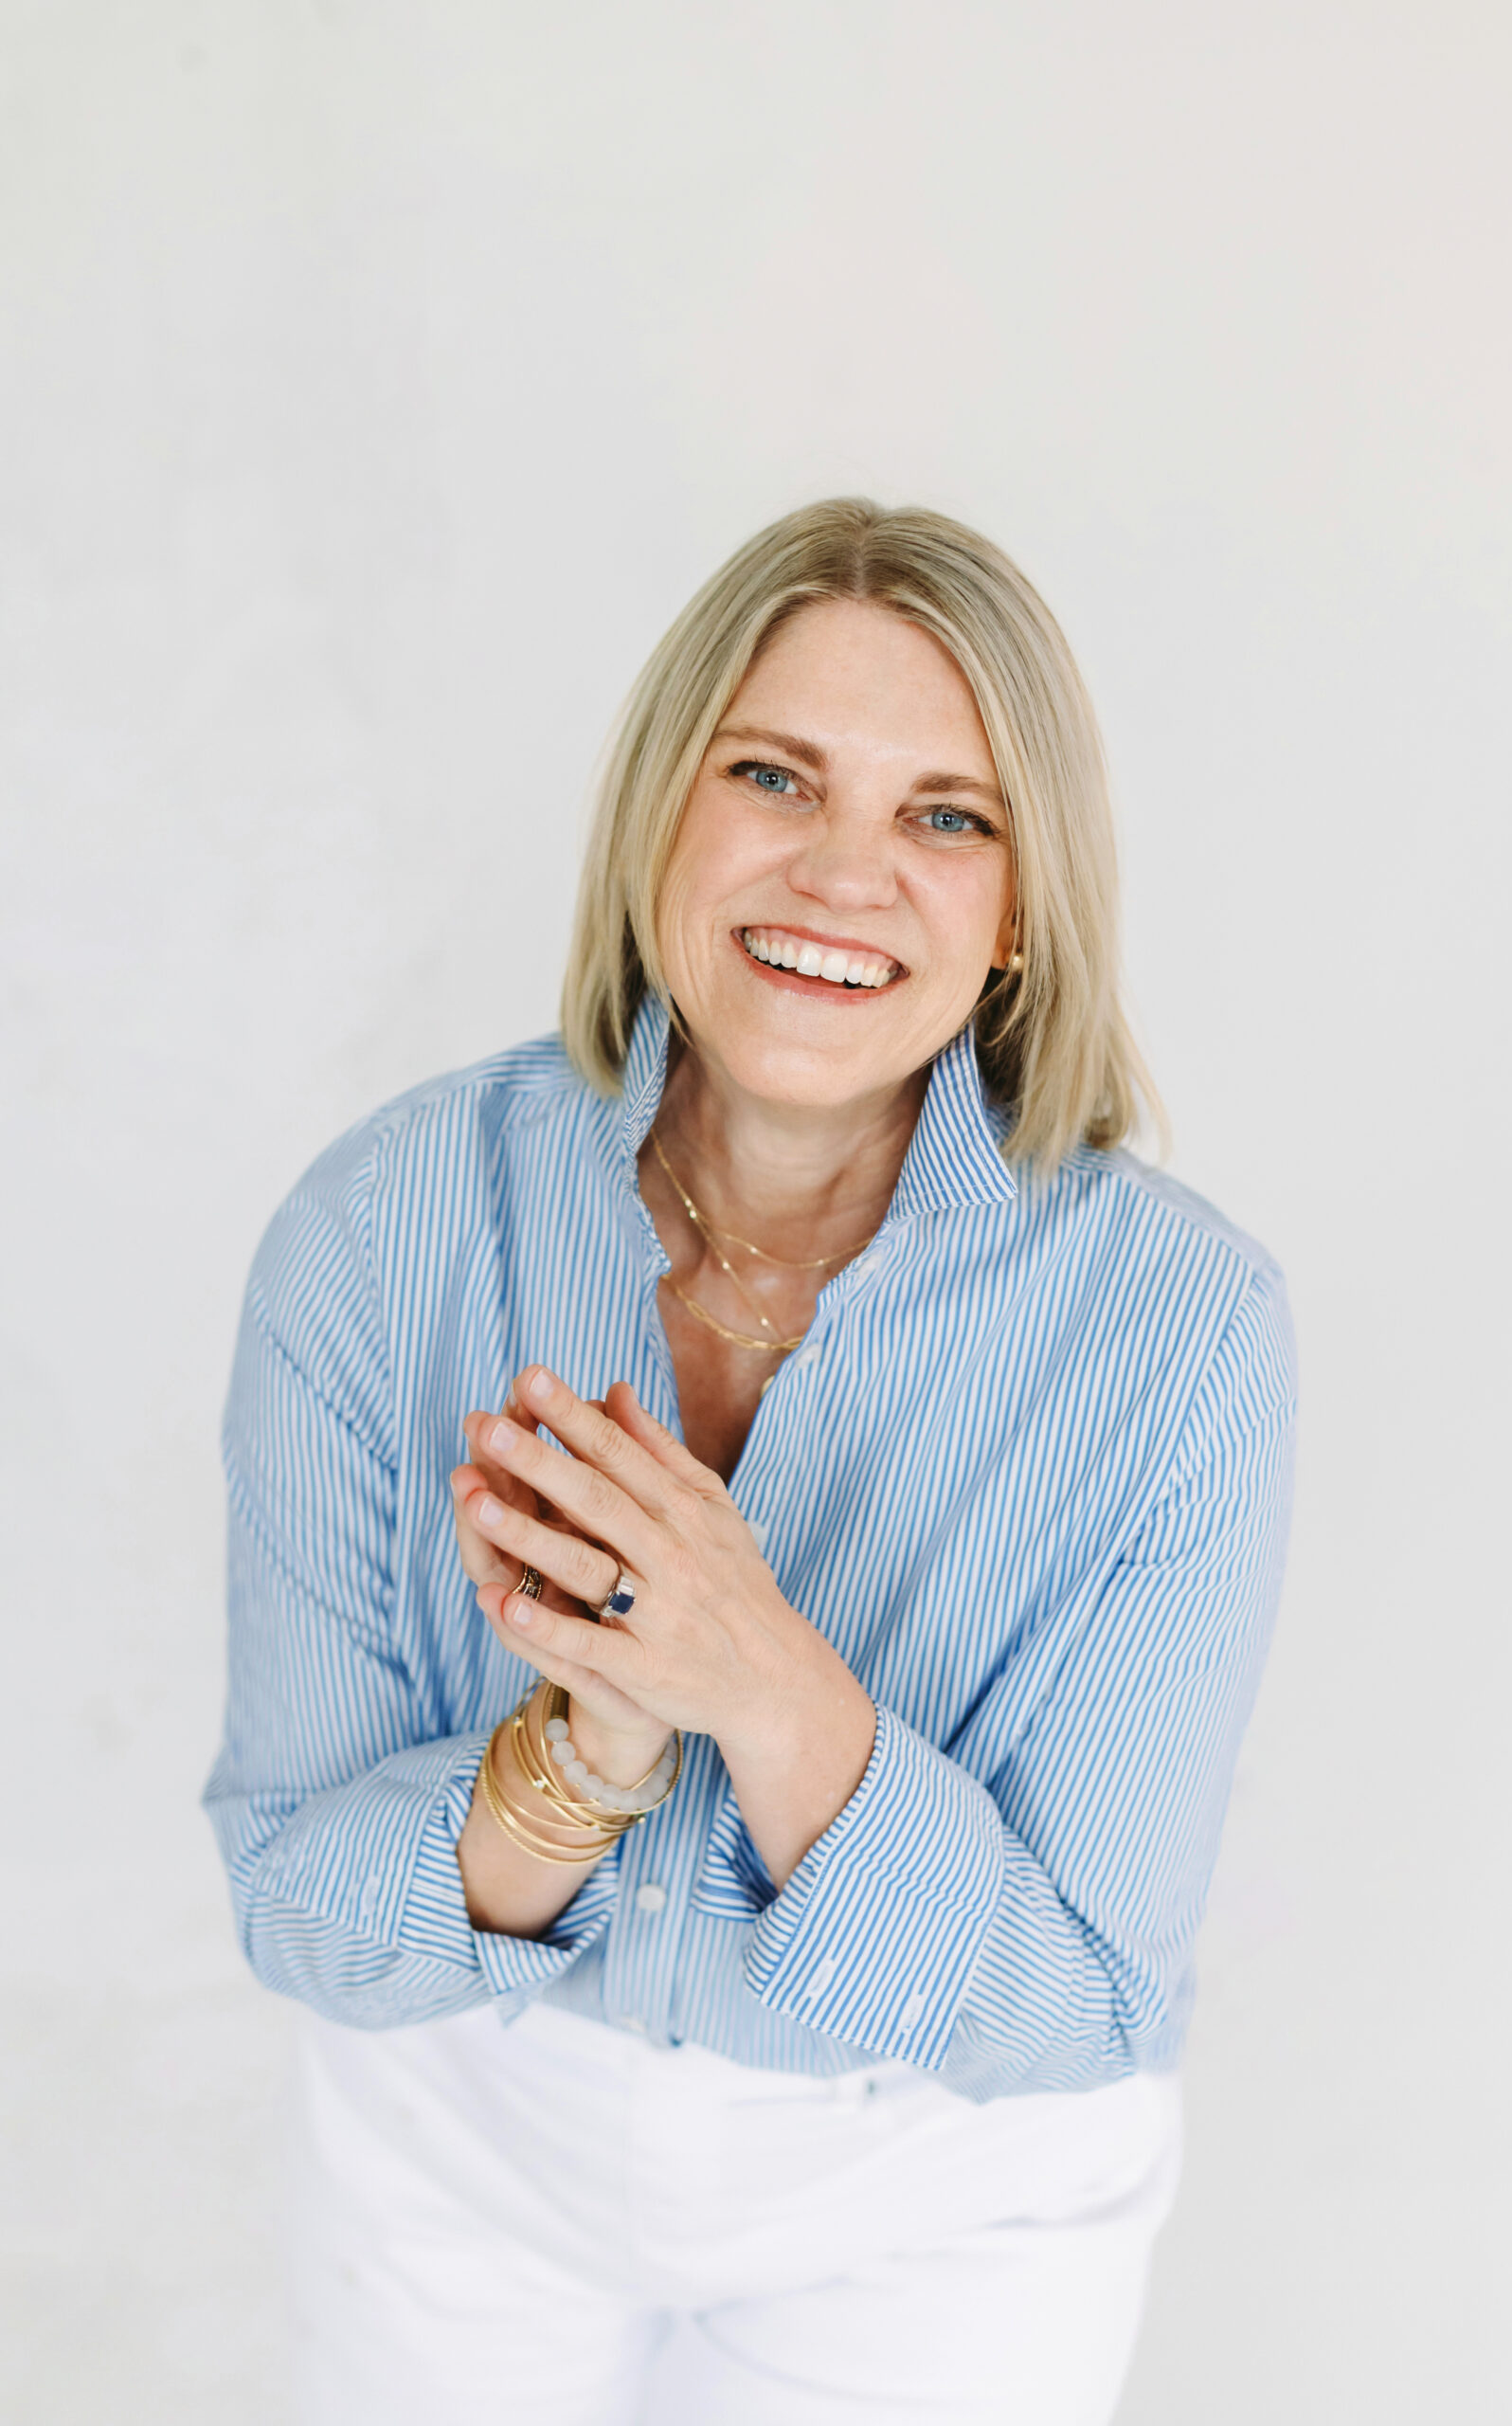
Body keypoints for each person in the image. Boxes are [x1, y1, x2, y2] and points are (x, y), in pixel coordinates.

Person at [206, 498, 1296, 2426]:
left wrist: (766, 1688)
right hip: (467, 2125)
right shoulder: (382, 1229)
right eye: (774, 775)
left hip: (934, 2184)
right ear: (661, 815)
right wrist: (584, 1762)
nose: (841, 872)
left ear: (1022, 910)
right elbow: (302, 1910)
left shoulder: (1183, 1335)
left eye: (945, 816)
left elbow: (1084, 2008)